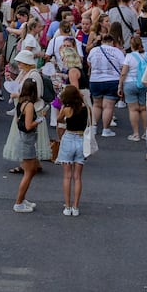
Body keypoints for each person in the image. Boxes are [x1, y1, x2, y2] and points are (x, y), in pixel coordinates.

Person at [12, 78, 46, 213]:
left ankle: (22, 199)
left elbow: (17, 121)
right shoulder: (30, 105)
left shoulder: (20, 102)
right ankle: (19, 202)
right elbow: (28, 125)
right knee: (28, 172)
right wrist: (39, 119)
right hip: (27, 141)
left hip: (22, 139)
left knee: (30, 171)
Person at [56, 84, 89, 216]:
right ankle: (76, 206)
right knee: (77, 177)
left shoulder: (66, 109)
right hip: (81, 139)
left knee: (67, 176)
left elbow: (59, 120)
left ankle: (67, 206)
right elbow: (90, 123)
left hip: (69, 138)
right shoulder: (85, 108)